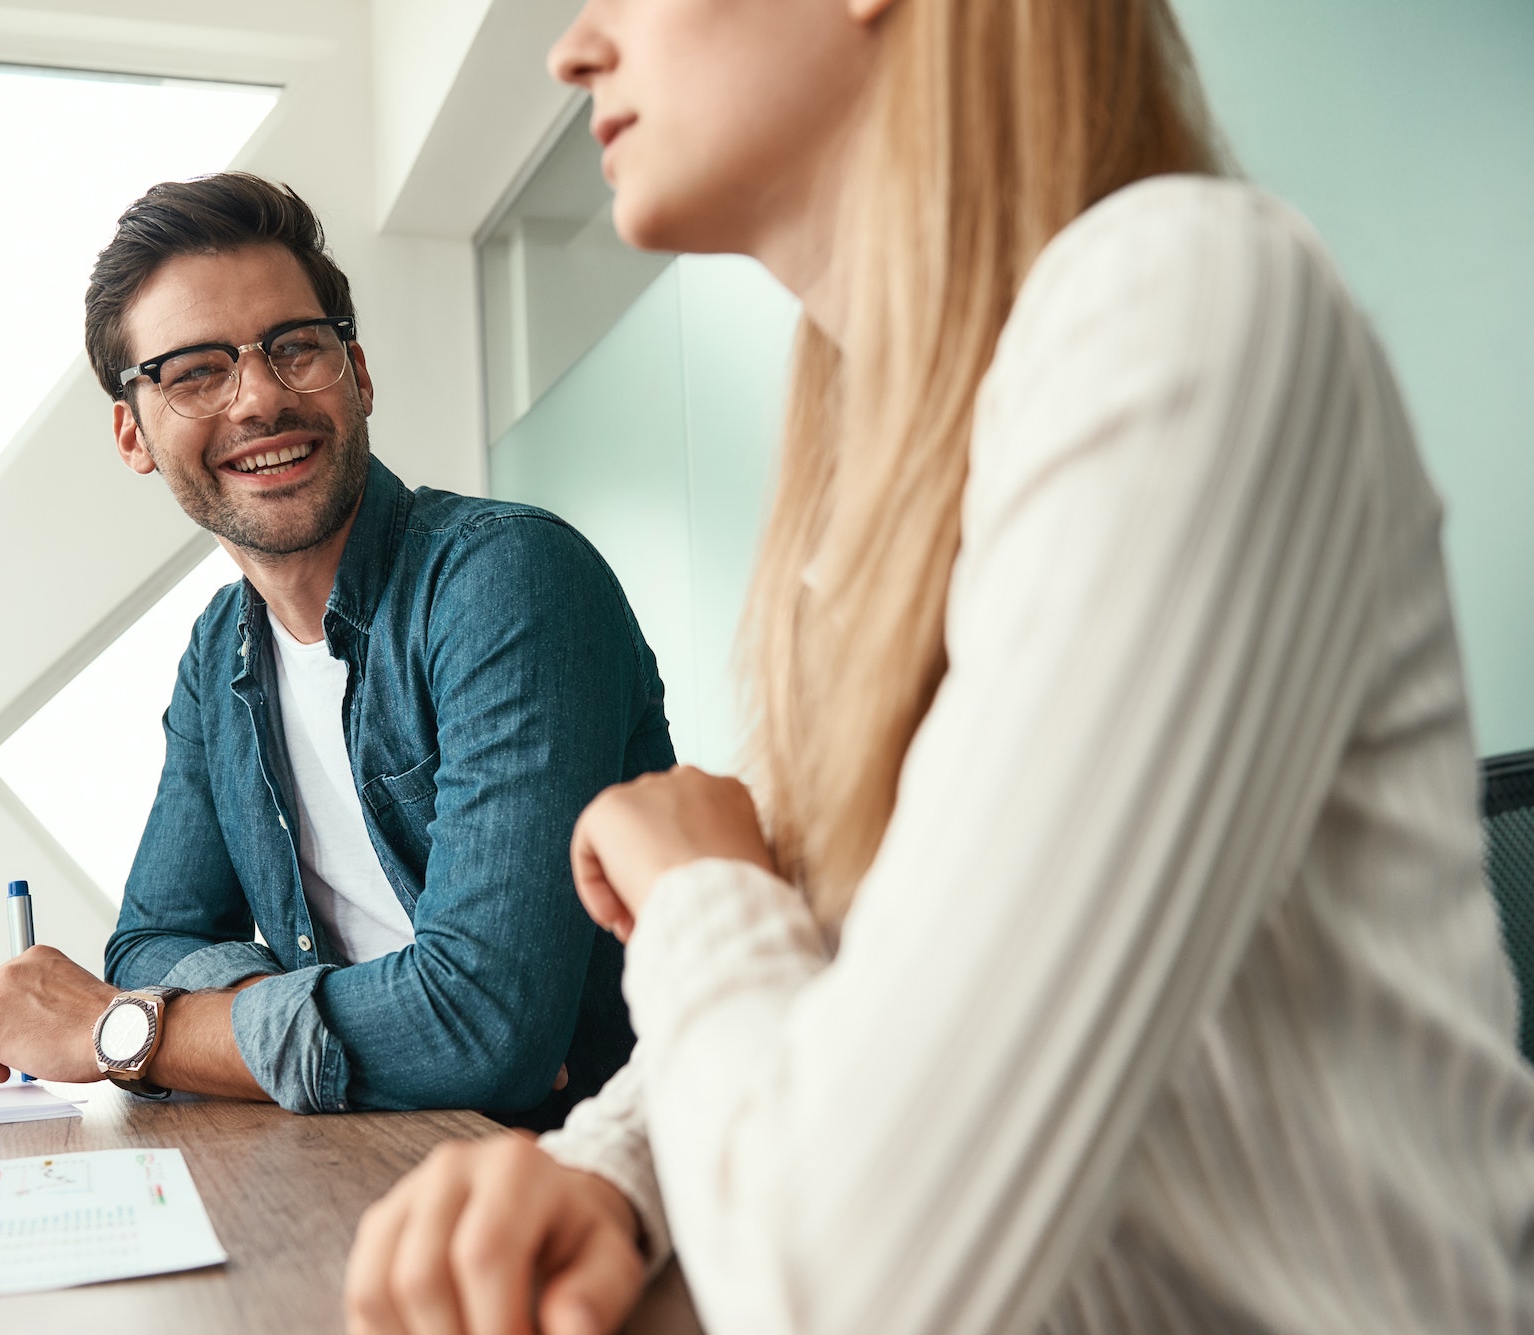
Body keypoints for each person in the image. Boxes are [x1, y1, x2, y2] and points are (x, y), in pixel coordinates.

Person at [343, 0, 1534, 1331]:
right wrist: (610, 1170)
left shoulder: (1186, 298)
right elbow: (872, 984)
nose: (572, 50)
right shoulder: (881, 486)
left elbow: (859, 1287)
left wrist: (695, 884)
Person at [0, 174, 673, 1129]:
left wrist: (127, 1033)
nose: (259, 399)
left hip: (601, 1174)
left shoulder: (507, 580)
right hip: (367, 1148)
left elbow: (487, 1032)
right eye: (196, 371)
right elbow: (150, 939)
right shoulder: (219, 652)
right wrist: (352, 1024)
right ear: (133, 432)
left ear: (358, 374)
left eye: (295, 347)